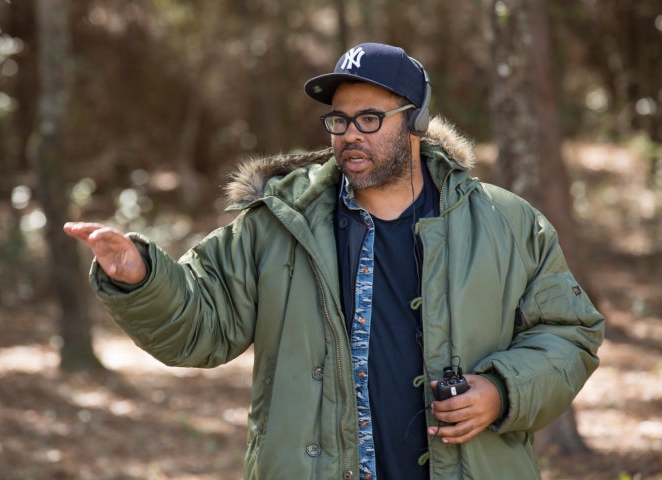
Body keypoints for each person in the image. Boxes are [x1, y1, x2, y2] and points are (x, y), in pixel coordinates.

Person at [64, 42, 604, 480]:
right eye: (339, 121)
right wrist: (140, 278)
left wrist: (502, 391)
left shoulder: (505, 223)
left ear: (412, 123)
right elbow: (203, 325)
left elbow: (569, 332)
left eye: (370, 119)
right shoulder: (277, 222)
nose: (349, 135)